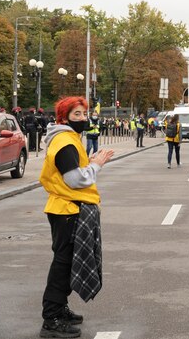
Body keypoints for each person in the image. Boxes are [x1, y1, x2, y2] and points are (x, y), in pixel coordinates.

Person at [38, 96, 114, 338]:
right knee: (63, 265)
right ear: (64, 117)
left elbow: (72, 174)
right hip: (67, 210)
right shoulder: (65, 142)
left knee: (67, 263)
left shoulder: (69, 138)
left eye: (84, 114)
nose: (83, 118)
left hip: (68, 208)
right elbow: (74, 180)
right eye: (77, 114)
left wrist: (90, 163)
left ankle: (59, 309)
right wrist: (97, 165)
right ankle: (52, 319)